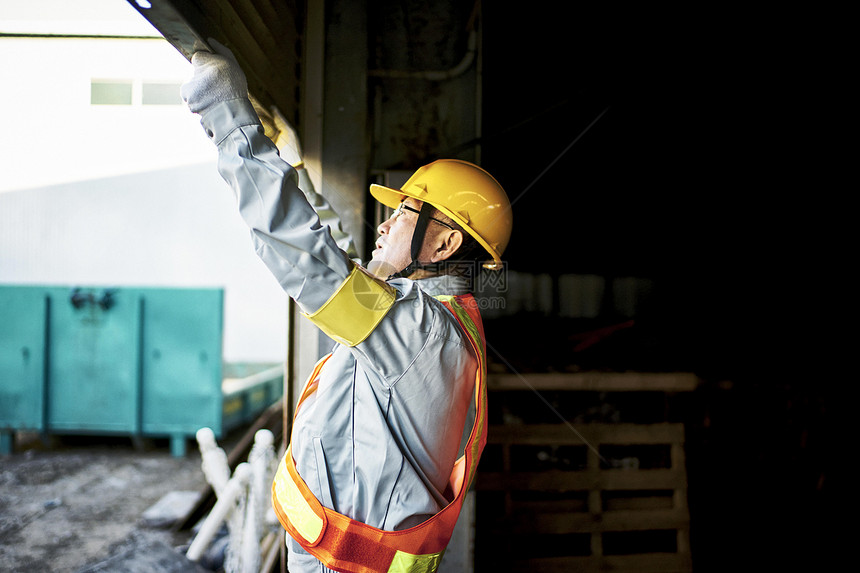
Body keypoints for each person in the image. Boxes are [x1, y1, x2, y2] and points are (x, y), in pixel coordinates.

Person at [180, 41, 512, 573]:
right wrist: (294, 166)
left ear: (444, 244)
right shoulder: (431, 321)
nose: (384, 224)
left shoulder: (416, 327)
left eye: (403, 213)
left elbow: (309, 260)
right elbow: (345, 261)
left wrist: (224, 108)